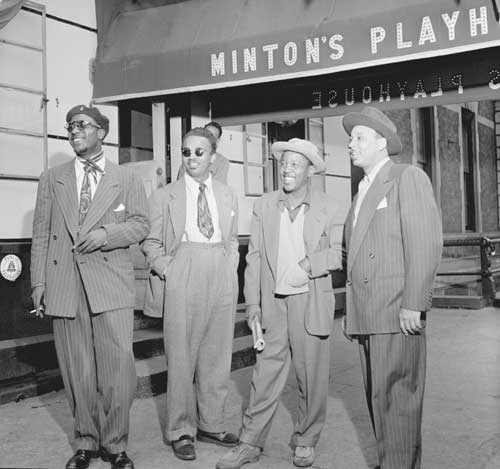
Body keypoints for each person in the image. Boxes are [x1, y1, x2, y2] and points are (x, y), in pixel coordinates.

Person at [30, 105, 150, 469]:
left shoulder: (125, 178)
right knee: (76, 370)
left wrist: (106, 235)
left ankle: (115, 444)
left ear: (102, 131)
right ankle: (85, 441)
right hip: (65, 283)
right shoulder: (52, 178)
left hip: (109, 283)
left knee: (117, 371)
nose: (73, 130)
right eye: (70, 126)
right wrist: (38, 282)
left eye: (82, 125)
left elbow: (142, 224)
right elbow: (40, 233)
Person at [217, 138, 344, 469]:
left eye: (295, 165)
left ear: (310, 171)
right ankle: (250, 442)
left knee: (310, 375)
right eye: (284, 163)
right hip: (273, 304)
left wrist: (307, 266)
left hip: (310, 300)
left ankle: (305, 439)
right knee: (265, 374)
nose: (287, 169)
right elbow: (255, 257)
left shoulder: (329, 206)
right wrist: (253, 305)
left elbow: (337, 254)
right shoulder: (264, 205)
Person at [341, 106, 443, 468]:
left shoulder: (406, 177)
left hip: (397, 312)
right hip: (370, 315)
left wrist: (414, 303)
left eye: (359, 138)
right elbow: (350, 256)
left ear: (382, 143)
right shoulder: (360, 192)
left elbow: (425, 242)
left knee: (397, 407)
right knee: (380, 405)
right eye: (350, 138)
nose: (351, 144)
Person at [142, 127, 239, 461]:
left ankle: (211, 423)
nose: (192, 158)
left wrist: (230, 267)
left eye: (199, 152)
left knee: (217, 354)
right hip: (184, 267)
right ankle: (181, 429)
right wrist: (169, 268)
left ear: (213, 157)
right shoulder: (164, 195)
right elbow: (151, 241)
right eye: (186, 152)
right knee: (181, 357)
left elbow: (233, 239)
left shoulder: (226, 194)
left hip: (220, 270)